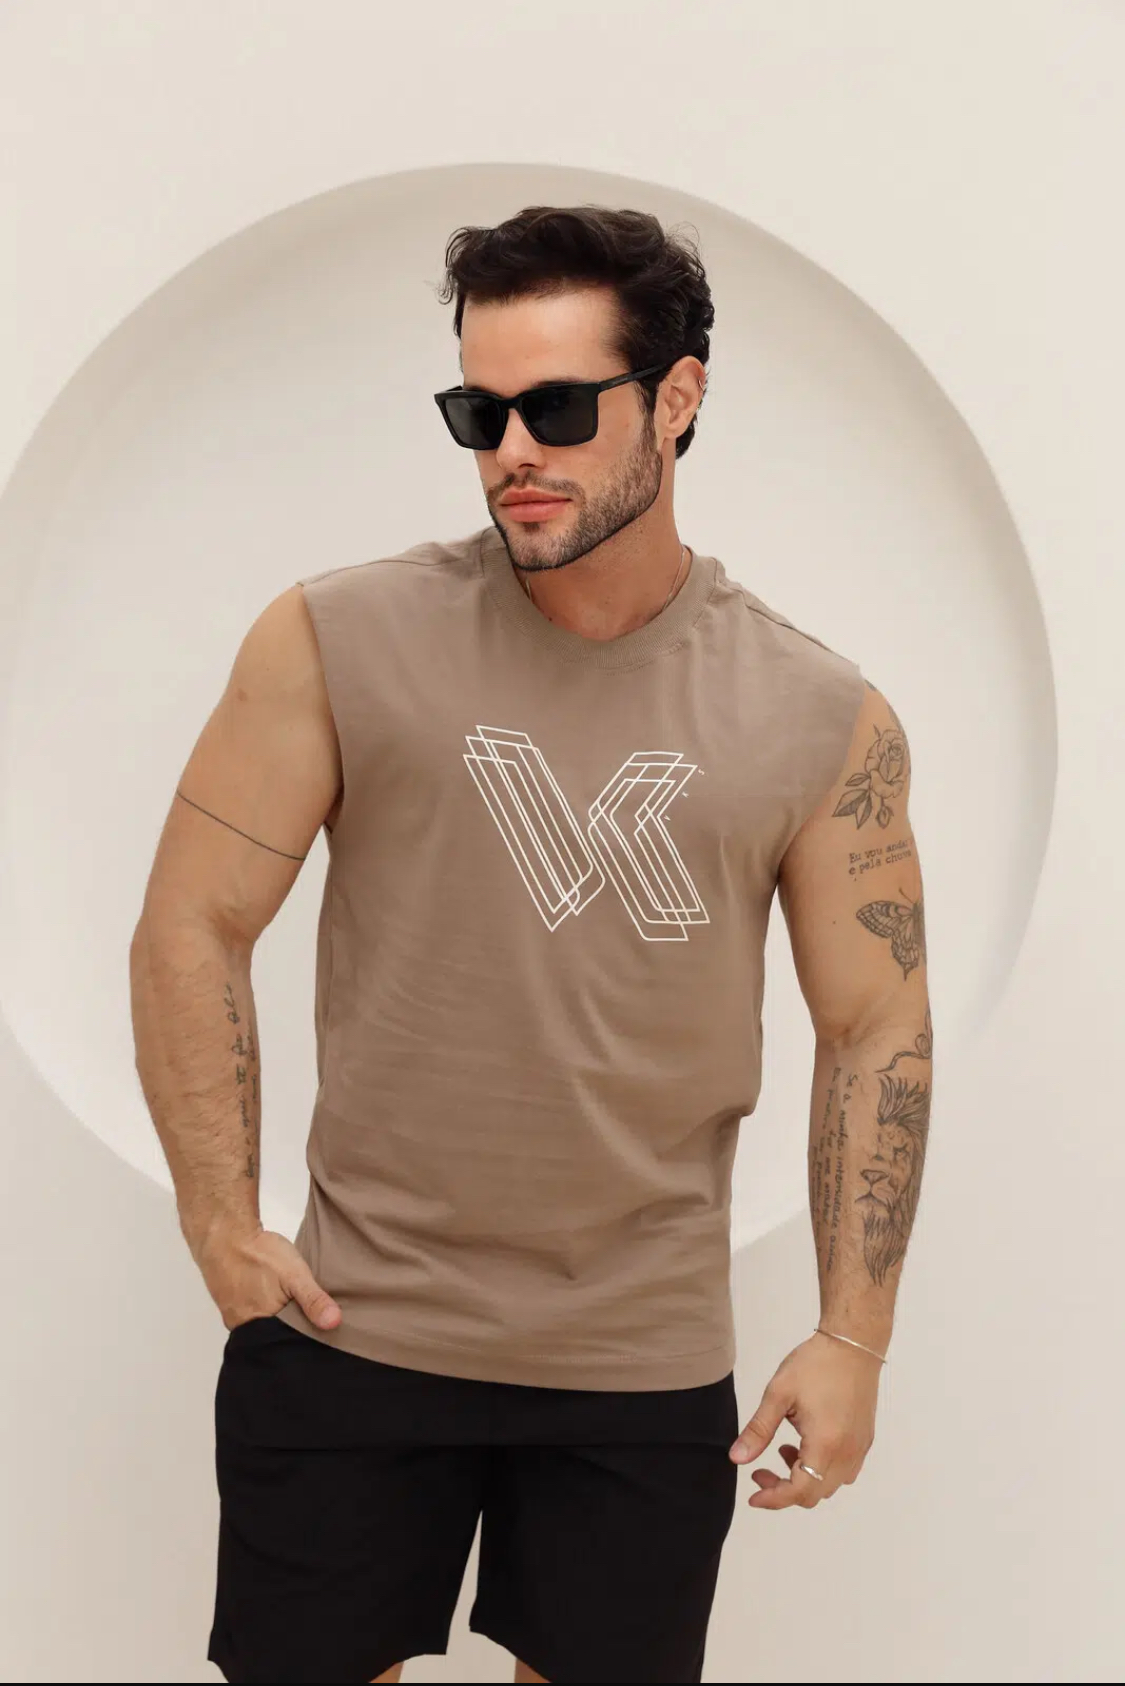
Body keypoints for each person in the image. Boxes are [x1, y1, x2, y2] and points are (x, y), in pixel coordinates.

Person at [129, 204, 932, 1685]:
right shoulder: (337, 638)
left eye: (557, 408)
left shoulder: (819, 715)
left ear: (675, 400)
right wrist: (218, 1222)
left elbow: (875, 1023)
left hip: (637, 1360)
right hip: (354, 1329)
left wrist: (852, 1335)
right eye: (478, 412)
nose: (512, 449)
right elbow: (193, 919)